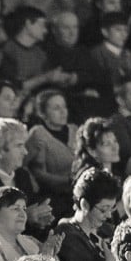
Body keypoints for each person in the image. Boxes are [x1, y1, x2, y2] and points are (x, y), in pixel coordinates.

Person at [54, 168, 119, 261]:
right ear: (84, 204)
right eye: (103, 209)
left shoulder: (107, 229)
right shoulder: (67, 235)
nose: (108, 215)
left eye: (111, 209)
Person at [26, 90, 78, 218]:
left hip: (77, 193)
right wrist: (69, 181)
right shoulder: (38, 133)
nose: (63, 111)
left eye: (64, 107)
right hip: (55, 198)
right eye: (56, 108)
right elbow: (37, 173)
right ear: (43, 113)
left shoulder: (74, 130)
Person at [70, 117, 120, 182]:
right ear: (92, 151)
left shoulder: (117, 173)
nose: (115, 147)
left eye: (115, 141)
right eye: (107, 144)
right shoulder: (90, 179)